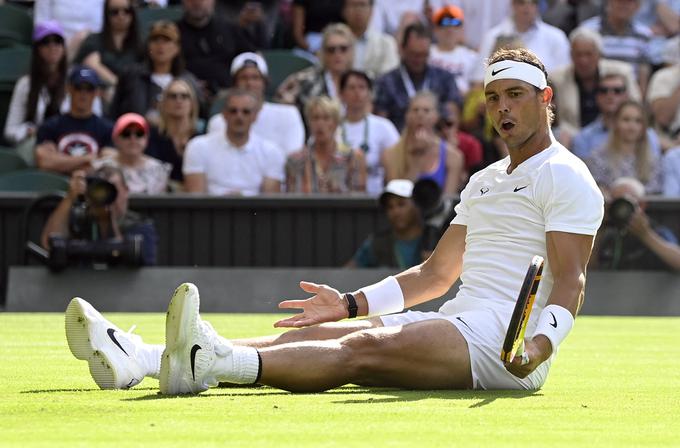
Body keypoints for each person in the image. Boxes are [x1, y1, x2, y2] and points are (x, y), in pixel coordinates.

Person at [64, 48, 605, 394]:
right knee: (340, 329)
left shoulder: (567, 175)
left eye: (515, 96)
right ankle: (141, 358)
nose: (503, 109)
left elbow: (571, 278)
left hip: (508, 351)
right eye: (493, 98)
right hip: (464, 321)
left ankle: (211, 366)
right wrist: (350, 303)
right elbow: (435, 276)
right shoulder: (484, 179)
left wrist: (537, 347)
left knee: (361, 352)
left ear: (545, 99)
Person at [40, 164, 158, 266]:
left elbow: (139, 268)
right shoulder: (78, 220)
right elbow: (48, 244)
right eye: (100, 190)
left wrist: (108, 218)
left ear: (126, 190)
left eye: (112, 189)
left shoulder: (140, 226)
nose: (105, 196)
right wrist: (70, 197)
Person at [183, 88, 284, 195]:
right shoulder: (198, 147)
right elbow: (196, 198)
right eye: (233, 111)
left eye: (246, 112)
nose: (239, 116)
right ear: (224, 114)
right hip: (212, 210)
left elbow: (270, 202)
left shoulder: (271, 152)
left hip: (254, 211)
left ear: (255, 116)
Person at [206, 52, 305, 156]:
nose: (250, 83)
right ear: (234, 84)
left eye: (255, 77)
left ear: (264, 82)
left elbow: (293, 157)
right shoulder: (218, 122)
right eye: (243, 78)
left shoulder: (288, 115)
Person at [549, 26, 641, 139]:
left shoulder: (622, 73)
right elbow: (556, 119)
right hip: (573, 138)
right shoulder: (557, 79)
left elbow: (636, 108)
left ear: (599, 55)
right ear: (571, 55)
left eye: (588, 54)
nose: (583, 60)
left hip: (616, 135)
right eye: (578, 54)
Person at [373, 22, 461, 132]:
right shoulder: (386, 82)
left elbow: (451, 117)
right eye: (414, 54)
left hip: (436, 141)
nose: (418, 60)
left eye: (424, 55)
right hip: (398, 142)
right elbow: (381, 123)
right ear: (402, 49)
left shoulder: (444, 79)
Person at [109, 20, 202, 122]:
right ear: (148, 46)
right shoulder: (131, 77)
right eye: (155, 40)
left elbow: (199, 117)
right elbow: (114, 113)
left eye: (166, 40)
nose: (160, 45)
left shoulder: (188, 82)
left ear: (177, 48)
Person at [35, 66, 114, 175]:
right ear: (69, 89)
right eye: (79, 87)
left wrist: (61, 162)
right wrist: (87, 159)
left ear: (97, 92)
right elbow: (45, 162)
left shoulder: (107, 128)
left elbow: (108, 163)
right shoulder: (50, 126)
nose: (83, 93)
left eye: (89, 89)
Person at [382, 91, 465, 195]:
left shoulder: (453, 156)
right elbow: (397, 197)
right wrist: (417, 161)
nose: (420, 115)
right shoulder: (390, 154)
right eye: (415, 110)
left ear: (436, 116)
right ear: (407, 115)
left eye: (426, 111)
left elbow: (449, 199)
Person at [591, 177, 680, 271]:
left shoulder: (658, 232)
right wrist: (599, 227)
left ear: (642, 205)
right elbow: (587, 268)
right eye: (615, 203)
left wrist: (646, 235)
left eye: (625, 203)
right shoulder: (607, 234)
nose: (620, 209)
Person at [571, 72, 661, 161]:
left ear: (626, 96)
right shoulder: (583, 138)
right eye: (604, 90)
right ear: (597, 96)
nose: (610, 95)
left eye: (617, 91)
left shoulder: (648, 135)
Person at [286, 96, 367, 193]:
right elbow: (290, 200)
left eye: (326, 118)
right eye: (315, 118)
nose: (320, 124)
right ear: (308, 123)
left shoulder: (353, 158)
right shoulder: (296, 160)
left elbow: (359, 199)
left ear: (336, 122)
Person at [176, 0, 255, 98]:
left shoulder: (231, 30)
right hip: (184, 94)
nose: (197, 2)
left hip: (229, 95)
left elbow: (251, 60)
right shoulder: (173, 34)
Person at [339, 69, 400, 195]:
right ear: (341, 94)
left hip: (376, 197)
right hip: (338, 196)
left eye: (362, 88)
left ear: (369, 93)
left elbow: (398, 161)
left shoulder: (384, 126)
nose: (357, 93)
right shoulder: (333, 127)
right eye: (352, 88)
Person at [347, 179, 432, 269]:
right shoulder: (376, 243)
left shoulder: (435, 239)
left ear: (416, 205)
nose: (395, 211)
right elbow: (347, 272)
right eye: (390, 207)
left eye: (401, 204)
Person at [276, 23, 356, 116]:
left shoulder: (361, 82)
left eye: (343, 49)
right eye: (331, 49)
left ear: (352, 51)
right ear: (323, 53)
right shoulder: (304, 81)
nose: (337, 54)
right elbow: (282, 106)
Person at [586, 100, 663, 194]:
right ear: (615, 123)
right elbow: (594, 191)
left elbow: (655, 194)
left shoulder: (653, 161)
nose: (632, 126)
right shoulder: (598, 157)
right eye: (626, 120)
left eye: (638, 121)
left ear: (644, 127)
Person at [478, 0, 571, 73]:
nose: (527, 7)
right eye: (521, 2)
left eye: (533, 2)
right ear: (513, 4)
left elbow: (564, 78)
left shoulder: (556, 37)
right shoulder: (493, 36)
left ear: (538, 6)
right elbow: (479, 78)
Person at [580, 0, 652, 91]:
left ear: (637, 6)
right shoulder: (589, 30)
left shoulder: (643, 33)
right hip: (597, 90)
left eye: (629, 2)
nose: (624, 5)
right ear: (609, 3)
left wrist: (640, 99)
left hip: (630, 91)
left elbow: (643, 70)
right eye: (619, 1)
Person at [146, 79, 202, 188]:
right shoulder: (152, 137)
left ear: (192, 103)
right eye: (173, 96)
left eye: (184, 96)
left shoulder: (200, 139)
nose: (179, 100)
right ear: (164, 103)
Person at [74, 0, 142, 90]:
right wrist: (118, 86)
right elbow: (91, 64)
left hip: (133, 93)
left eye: (126, 11)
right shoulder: (94, 39)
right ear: (107, 14)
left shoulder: (141, 44)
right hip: (99, 93)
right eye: (115, 12)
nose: (121, 16)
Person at [100, 113, 171, 194]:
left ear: (146, 138)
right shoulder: (100, 169)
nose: (133, 139)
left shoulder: (159, 170)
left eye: (139, 134)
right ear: (115, 139)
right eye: (126, 134)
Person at [428, 5, 483, 97]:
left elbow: (477, 86)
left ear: (461, 29)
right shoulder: (426, 54)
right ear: (435, 29)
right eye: (444, 23)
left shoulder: (472, 57)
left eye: (455, 23)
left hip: (462, 102)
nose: (449, 29)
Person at [341, 0, 399, 79]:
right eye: (353, 5)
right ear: (344, 11)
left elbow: (390, 78)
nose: (358, 10)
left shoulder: (386, 43)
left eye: (362, 5)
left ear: (372, 10)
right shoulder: (335, 44)